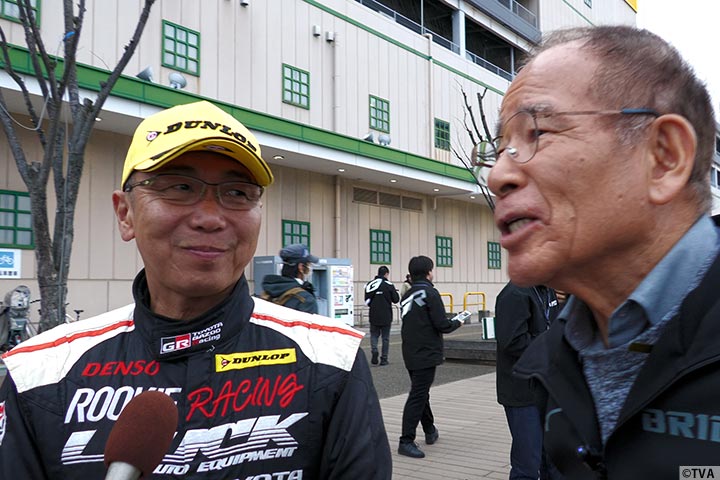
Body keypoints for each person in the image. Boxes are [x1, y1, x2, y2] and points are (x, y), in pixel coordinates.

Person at [0, 100, 392, 479]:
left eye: (237, 193)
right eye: (179, 187)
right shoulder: (39, 374)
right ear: (125, 213)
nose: (209, 217)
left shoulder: (332, 361)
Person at [486, 25, 719, 478]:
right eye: (498, 149)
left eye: (538, 132)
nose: (498, 175)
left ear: (664, 157)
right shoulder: (557, 360)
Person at [397, 255, 463, 458]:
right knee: (418, 395)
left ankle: (430, 430)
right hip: (426, 353)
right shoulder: (430, 293)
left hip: (410, 351)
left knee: (421, 392)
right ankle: (406, 441)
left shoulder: (407, 295)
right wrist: (458, 321)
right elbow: (442, 324)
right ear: (428, 272)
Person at [495, 282, 560, 480]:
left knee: (553, 460)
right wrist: (552, 342)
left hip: (547, 387)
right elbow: (512, 342)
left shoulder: (548, 290)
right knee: (527, 464)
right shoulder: (514, 294)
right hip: (522, 391)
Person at [260, 243, 319, 314]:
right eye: (309, 264)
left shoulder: (268, 291)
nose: (310, 268)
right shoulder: (306, 300)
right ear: (301, 267)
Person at [364, 266, 400, 366]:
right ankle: (384, 359)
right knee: (385, 338)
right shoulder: (389, 285)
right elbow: (396, 299)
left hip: (374, 314)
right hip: (386, 314)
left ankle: (374, 350)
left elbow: (367, 301)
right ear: (386, 274)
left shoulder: (370, 284)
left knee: (374, 335)